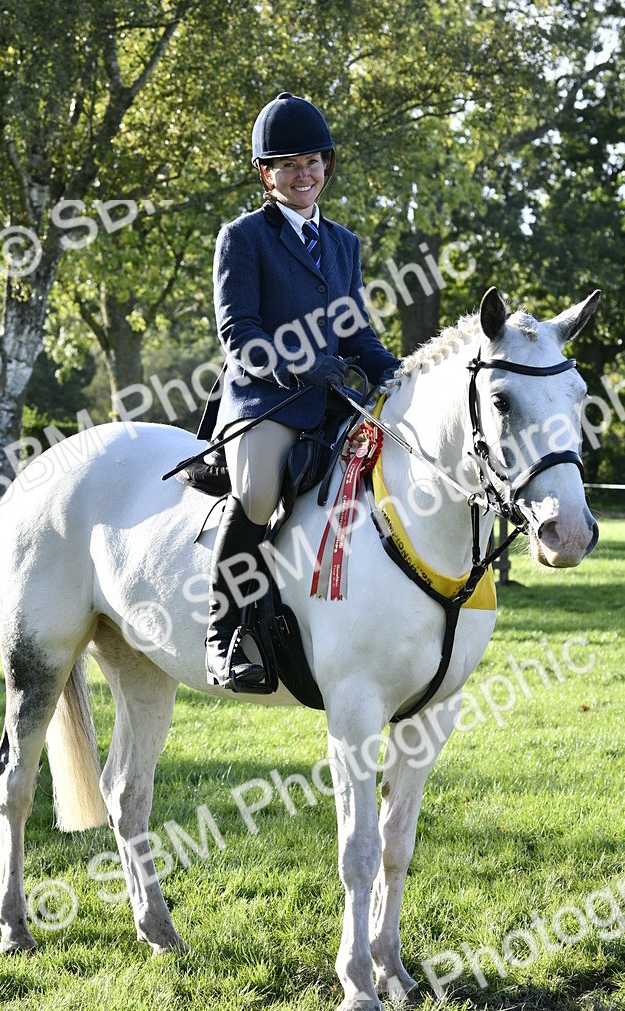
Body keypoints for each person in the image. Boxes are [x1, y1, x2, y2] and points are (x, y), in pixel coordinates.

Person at [199, 91, 400, 691]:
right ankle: (223, 628)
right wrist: (301, 363)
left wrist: (392, 370)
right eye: (287, 165)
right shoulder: (243, 237)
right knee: (259, 495)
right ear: (268, 175)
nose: (303, 173)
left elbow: (355, 329)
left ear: (326, 166)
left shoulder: (343, 243)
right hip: (270, 399)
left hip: (334, 402)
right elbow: (239, 332)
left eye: (311, 162)